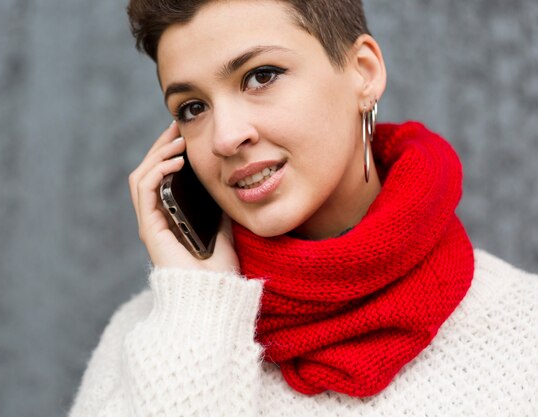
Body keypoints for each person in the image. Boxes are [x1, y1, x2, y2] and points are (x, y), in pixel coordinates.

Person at [69, 0, 538, 415]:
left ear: (364, 72)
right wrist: (198, 306)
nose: (226, 137)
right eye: (193, 108)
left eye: (260, 76)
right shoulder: (149, 338)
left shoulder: (524, 330)